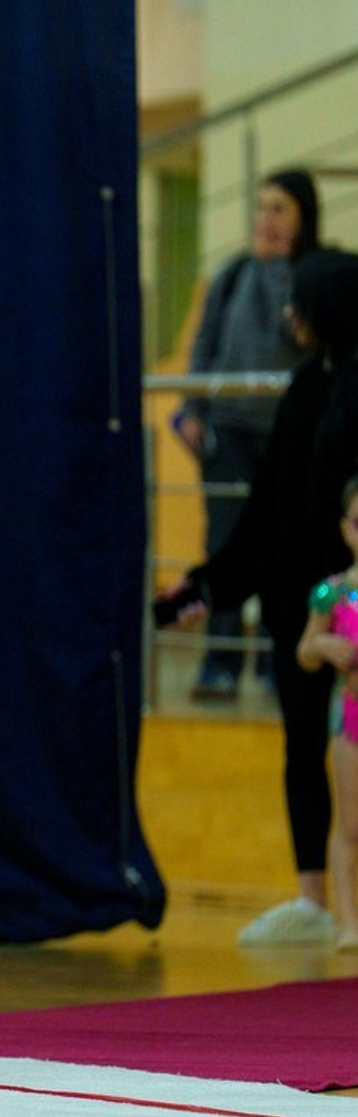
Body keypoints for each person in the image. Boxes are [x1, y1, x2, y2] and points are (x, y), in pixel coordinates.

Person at [160, 247, 358, 945]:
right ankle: (314, 897)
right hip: (303, 602)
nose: (287, 314)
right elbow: (270, 505)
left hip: (350, 601)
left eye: (300, 301)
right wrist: (212, 580)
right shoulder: (309, 384)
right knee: (304, 744)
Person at [174, 168, 320, 701]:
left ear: (303, 216)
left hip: (288, 435)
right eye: (261, 207)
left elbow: (297, 335)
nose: (267, 219)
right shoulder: (231, 274)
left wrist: (282, 269)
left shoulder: (311, 273)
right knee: (226, 543)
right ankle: (221, 661)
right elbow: (204, 345)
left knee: (288, 548)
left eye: (279, 208)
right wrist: (192, 408)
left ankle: (274, 660)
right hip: (230, 431)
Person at [295, 473, 358, 953]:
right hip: (350, 718)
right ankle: (347, 920)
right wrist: (323, 643)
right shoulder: (332, 592)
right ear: (344, 528)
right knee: (351, 824)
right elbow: (303, 652)